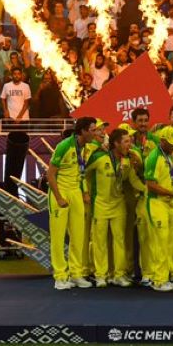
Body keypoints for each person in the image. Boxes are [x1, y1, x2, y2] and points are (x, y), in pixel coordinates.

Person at [87, 127, 143, 288]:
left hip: (119, 204)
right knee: (100, 242)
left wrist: (148, 190)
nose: (129, 145)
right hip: (100, 205)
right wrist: (85, 192)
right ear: (116, 143)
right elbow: (83, 173)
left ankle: (119, 275)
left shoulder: (127, 160)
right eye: (126, 142)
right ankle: (101, 275)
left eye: (130, 141)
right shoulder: (99, 157)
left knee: (120, 240)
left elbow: (133, 180)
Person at [47, 117, 98, 290]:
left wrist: (84, 192)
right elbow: (50, 174)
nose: (95, 133)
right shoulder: (64, 146)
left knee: (78, 236)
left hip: (76, 192)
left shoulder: (87, 147)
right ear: (83, 131)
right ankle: (60, 277)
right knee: (58, 238)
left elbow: (80, 171)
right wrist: (59, 197)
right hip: (60, 192)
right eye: (92, 130)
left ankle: (76, 274)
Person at [143, 126, 173, 292]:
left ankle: (171, 274)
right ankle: (159, 280)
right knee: (160, 242)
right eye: (171, 143)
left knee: (171, 240)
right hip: (157, 203)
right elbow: (151, 184)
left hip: (170, 202)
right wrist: (172, 193)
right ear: (162, 141)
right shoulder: (153, 158)